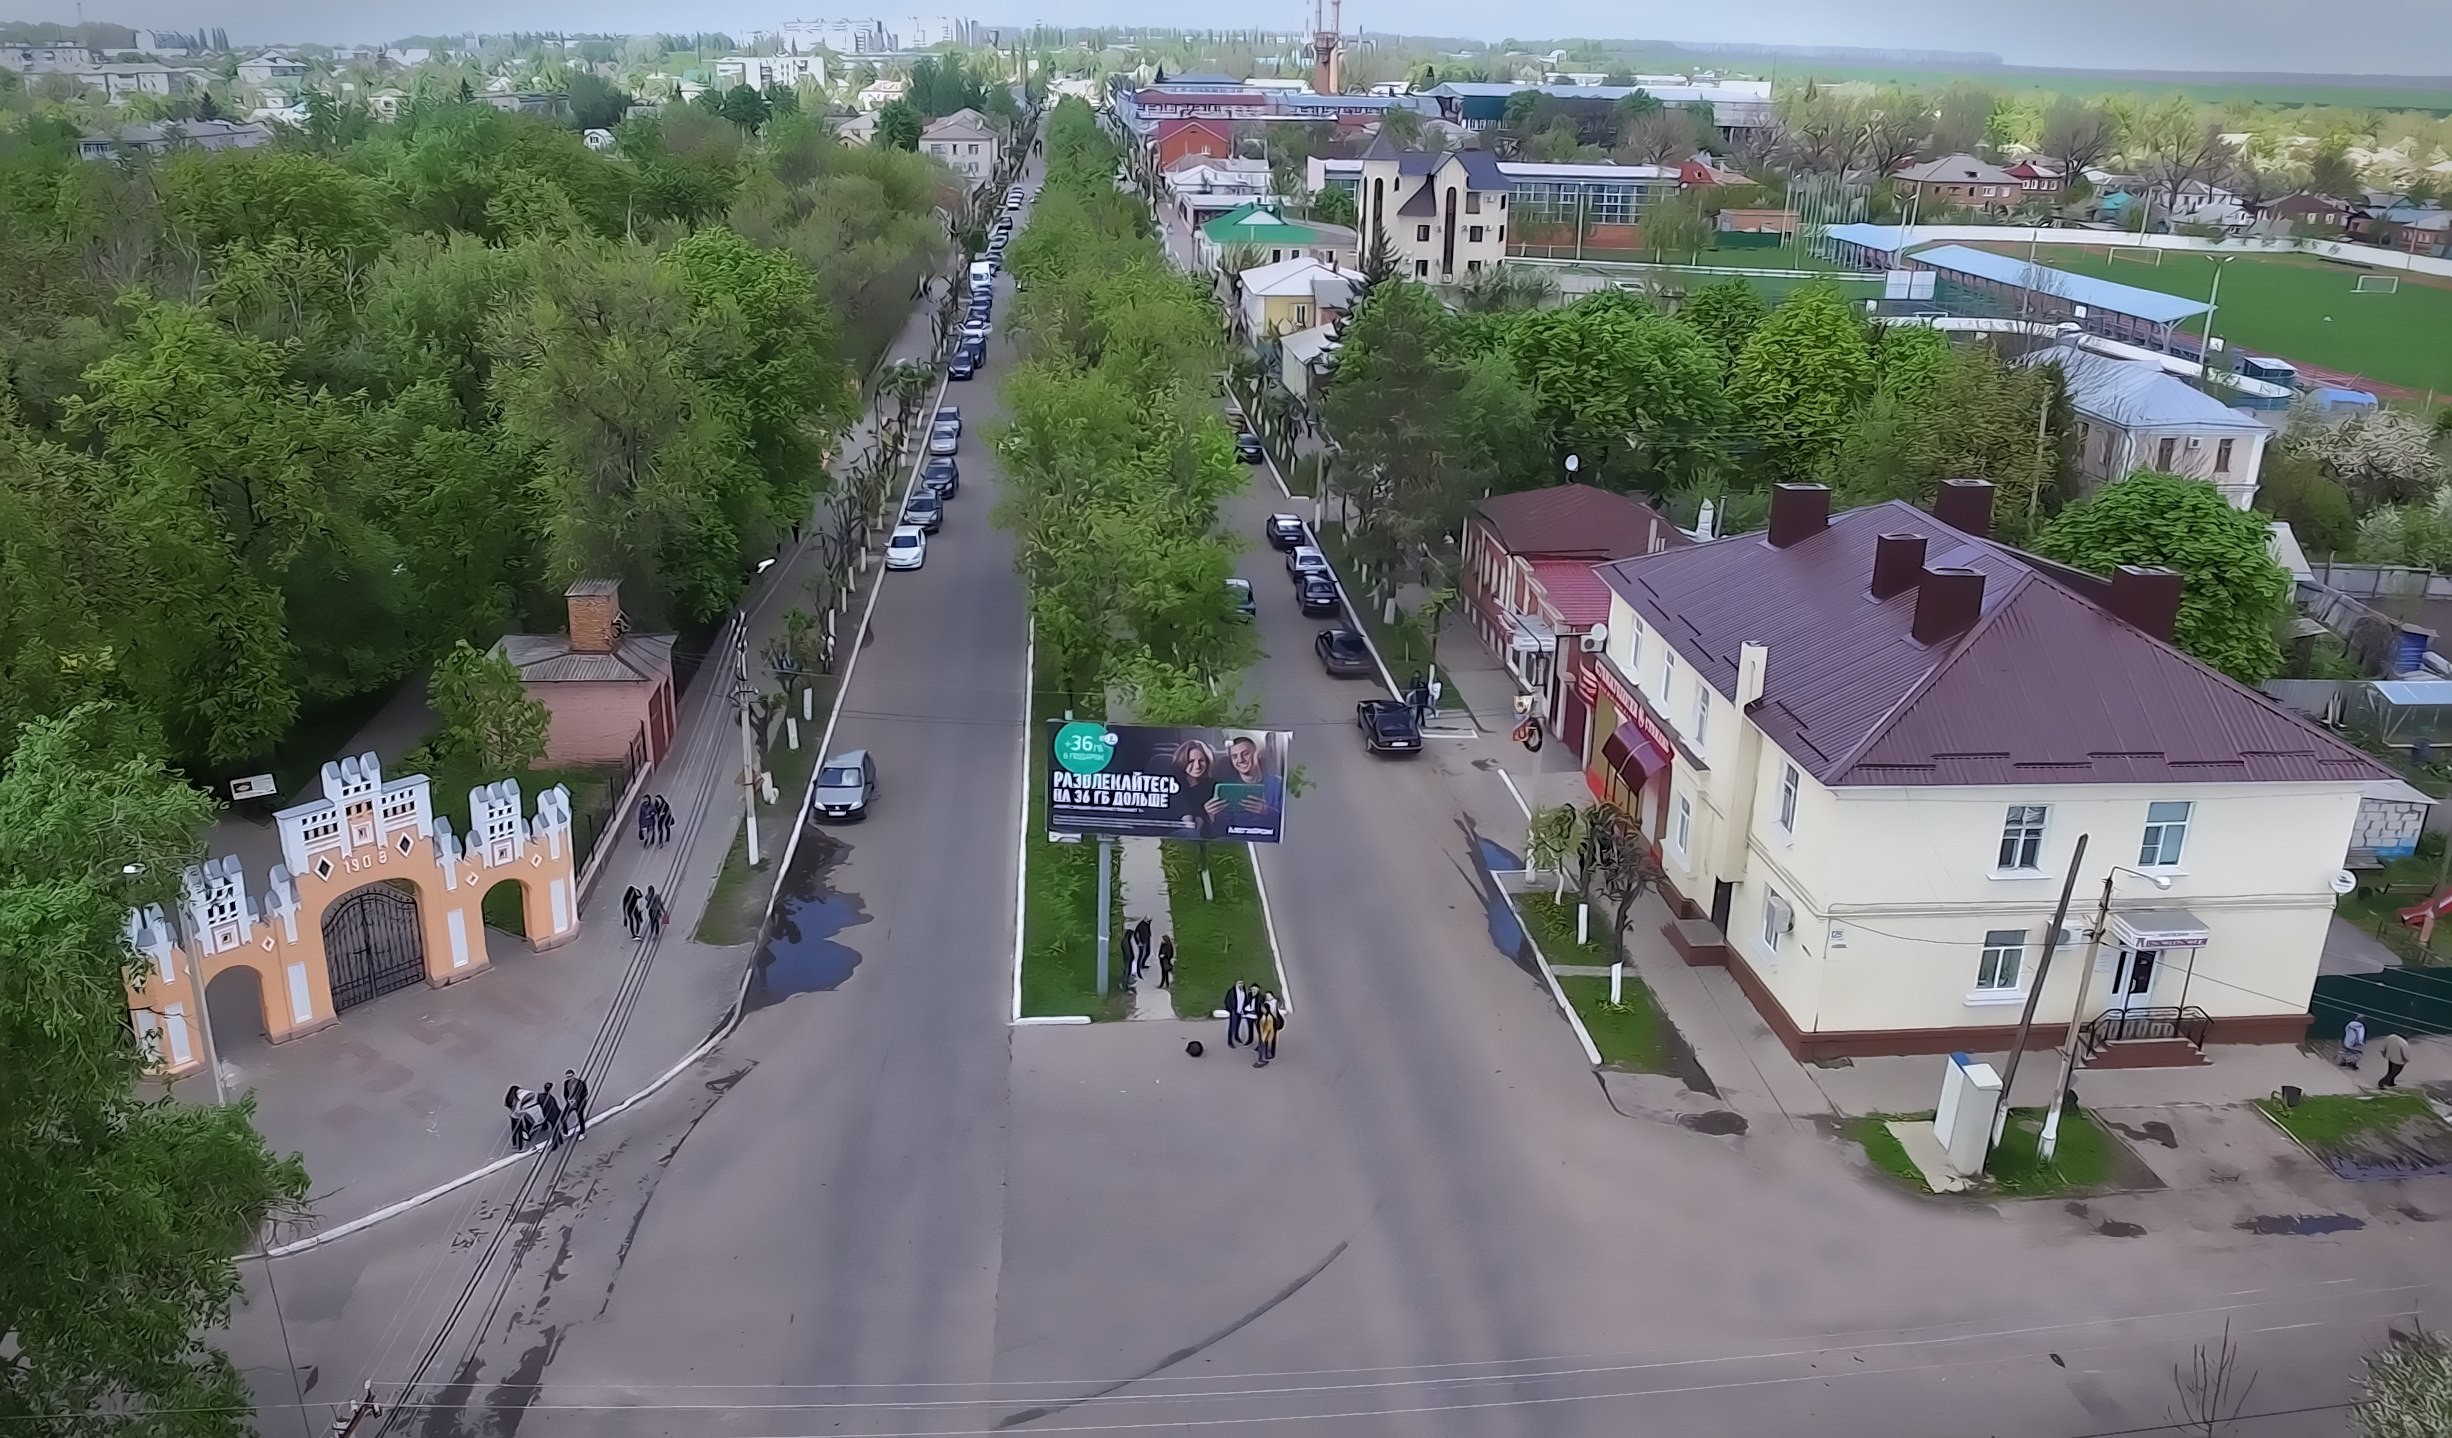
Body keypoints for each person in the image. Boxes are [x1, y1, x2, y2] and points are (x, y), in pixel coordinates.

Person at [1207, 734, 1286, 834]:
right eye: (1234, 756)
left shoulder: (1278, 785)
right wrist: (1211, 817)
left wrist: (1266, 812)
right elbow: (1222, 830)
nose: (1240, 759)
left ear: (1256, 755)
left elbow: (1289, 822)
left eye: (1245, 754)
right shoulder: (1227, 789)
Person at [1170, 739, 1221, 838]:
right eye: (1191, 761)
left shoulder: (1213, 785)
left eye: (1201, 761)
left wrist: (1210, 816)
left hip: (1203, 834)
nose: (1197, 766)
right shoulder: (1171, 783)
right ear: (1182, 762)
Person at [1253, 991, 1282, 1068]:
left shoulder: (1269, 1018)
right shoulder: (1264, 1016)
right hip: (1264, 1036)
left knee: (1264, 1049)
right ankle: (1262, 1059)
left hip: (1265, 1037)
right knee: (1263, 1048)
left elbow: (1266, 1029)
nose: (1262, 1009)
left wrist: (1263, 1038)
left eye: (1263, 1008)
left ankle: (1262, 1061)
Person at [562, 1068, 590, 1140]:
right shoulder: (566, 1083)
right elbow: (565, 1093)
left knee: (580, 1117)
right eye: (568, 1077)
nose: (569, 1078)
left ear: (574, 1075)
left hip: (579, 1103)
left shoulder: (581, 1083)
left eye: (570, 1076)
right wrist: (569, 1101)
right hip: (570, 1103)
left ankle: (582, 1133)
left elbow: (585, 1093)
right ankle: (565, 1132)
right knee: (563, 1118)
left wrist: (578, 1102)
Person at [1223, 980, 1252, 1048]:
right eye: (1239, 983)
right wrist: (1231, 1009)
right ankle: (1230, 1041)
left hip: (1240, 1012)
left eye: (1242, 983)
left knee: (1237, 1025)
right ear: (1236, 984)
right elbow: (1227, 1001)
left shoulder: (1243, 991)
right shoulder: (1232, 991)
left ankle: (1236, 1037)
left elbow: (1244, 1000)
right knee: (1232, 1027)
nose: (1241, 984)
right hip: (1234, 1012)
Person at [535, 1082, 564, 1151]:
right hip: (554, 1114)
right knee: (555, 1128)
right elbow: (556, 1107)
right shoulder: (551, 1098)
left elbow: (539, 1106)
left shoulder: (540, 1096)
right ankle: (558, 1141)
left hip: (547, 1115)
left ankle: (558, 1141)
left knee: (554, 1129)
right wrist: (560, 1114)